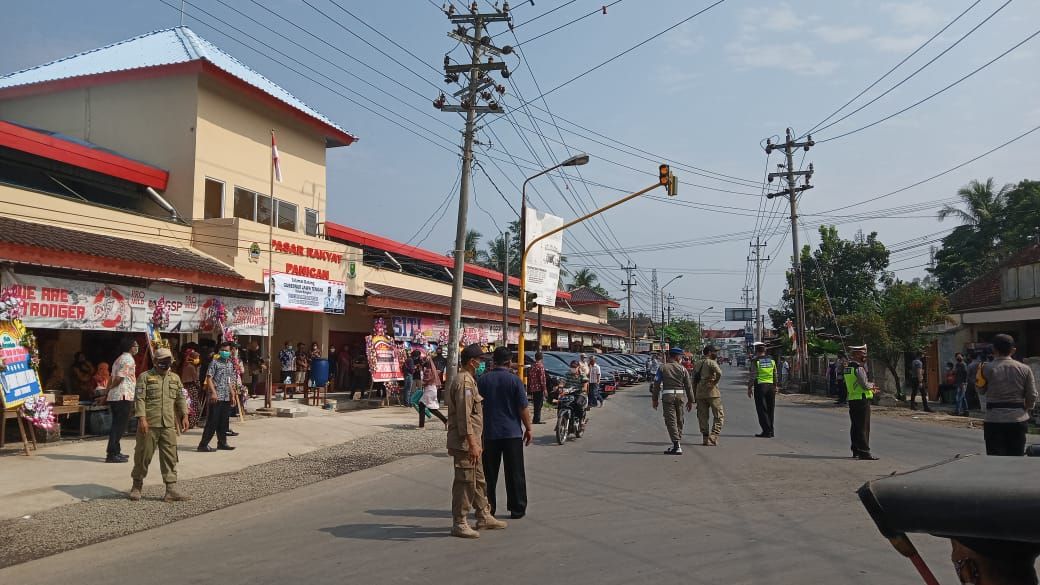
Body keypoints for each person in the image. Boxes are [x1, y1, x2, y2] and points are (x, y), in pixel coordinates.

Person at [446, 343, 507, 538]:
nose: (482, 364)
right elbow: (464, 417)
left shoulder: (470, 380)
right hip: (465, 443)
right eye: (480, 361)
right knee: (465, 482)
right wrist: (472, 443)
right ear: (472, 362)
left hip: (473, 442)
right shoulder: (464, 382)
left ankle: (483, 514)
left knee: (479, 480)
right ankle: (460, 521)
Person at [478, 347, 533, 520]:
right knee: (515, 472)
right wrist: (529, 428)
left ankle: (488, 508)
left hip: (489, 434)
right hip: (512, 434)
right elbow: (522, 408)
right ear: (509, 362)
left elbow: (477, 407)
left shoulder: (483, 380)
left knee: (489, 474)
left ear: (493, 361)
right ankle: (517, 509)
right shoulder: (514, 380)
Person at [129, 347, 190, 502]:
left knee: (170, 456)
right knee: (143, 455)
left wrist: (185, 415)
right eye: (162, 361)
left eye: (168, 361)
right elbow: (139, 399)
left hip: (168, 424)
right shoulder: (145, 377)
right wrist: (141, 418)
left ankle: (171, 489)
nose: (165, 364)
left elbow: (180, 398)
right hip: (149, 424)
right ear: (155, 361)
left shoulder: (175, 378)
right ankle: (137, 485)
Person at [976, 334, 1037, 456]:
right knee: (1016, 458)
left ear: (993, 350)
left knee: (995, 459)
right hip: (1017, 419)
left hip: (993, 420)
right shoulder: (1025, 369)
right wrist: (1026, 408)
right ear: (1013, 350)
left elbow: (980, 390)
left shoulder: (985, 368)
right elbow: (1032, 395)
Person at [651, 347, 694, 455]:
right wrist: (690, 400)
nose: (682, 359)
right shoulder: (683, 369)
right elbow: (689, 386)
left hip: (667, 396)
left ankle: (676, 445)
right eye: (681, 357)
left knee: (671, 420)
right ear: (676, 357)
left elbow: (656, 385)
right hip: (680, 396)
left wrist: (655, 399)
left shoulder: (662, 368)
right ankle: (677, 442)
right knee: (679, 419)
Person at [103, 337, 139, 463]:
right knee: (119, 426)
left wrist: (107, 392)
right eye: (135, 346)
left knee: (117, 425)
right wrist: (110, 389)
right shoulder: (127, 359)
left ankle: (116, 450)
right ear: (130, 347)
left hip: (115, 396)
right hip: (123, 395)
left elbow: (111, 378)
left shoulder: (118, 359)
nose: (137, 348)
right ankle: (112, 453)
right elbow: (119, 379)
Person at [198, 341, 237, 452]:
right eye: (222, 350)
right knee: (212, 421)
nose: (224, 352)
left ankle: (222, 442)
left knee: (223, 421)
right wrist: (214, 392)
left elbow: (229, 380)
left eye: (226, 351)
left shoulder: (229, 364)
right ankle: (203, 444)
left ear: (231, 352)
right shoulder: (214, 362)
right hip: (216, 396)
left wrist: (232, 394)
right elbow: (209, 378)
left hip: (226, 396)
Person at [844, 345, 879, 460]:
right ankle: (864, 452)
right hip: (862, 400)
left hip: (853, 399)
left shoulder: (847, 368)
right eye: (863, 354)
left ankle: (856, 450)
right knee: (863, 427)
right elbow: (864, 385)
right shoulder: (859, 368)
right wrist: (872, 386)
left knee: (855, 426)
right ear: (857, 354)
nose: (865, 356)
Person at [694, 345, 725, 446]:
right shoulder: (711, 362)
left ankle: (705, 438)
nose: (716, 353)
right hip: (712, 393)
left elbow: (693, 381)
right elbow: (719, 373)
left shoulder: (697, 363)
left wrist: (694, 395)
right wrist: (714, 382)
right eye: (715, 352)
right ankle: (714, 435)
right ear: (709, 352)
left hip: (700, 393)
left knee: (702, 416)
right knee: (719, 415)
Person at [747, 343, 777, 438]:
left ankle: (766, 431)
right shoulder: (771, 360)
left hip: (760, 386)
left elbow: (753, 375)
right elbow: (775, 373)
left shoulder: (755, 361)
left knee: (762, 409)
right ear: (765, 351)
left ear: (757, 351)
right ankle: (771, 431)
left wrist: (749, 388)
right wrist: (776, 386)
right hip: (771, 386)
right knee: (770, 409)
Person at [418, 352, 447, 428]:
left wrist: (421, 373)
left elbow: (425, 380)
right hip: (430, 389)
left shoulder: (429, 370)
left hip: (430, 390)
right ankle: (445, 421)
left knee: (426, 406)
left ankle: (445, 421)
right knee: (426, 406)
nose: (423, 362)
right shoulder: (431, 369)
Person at [180, 346, 203, 429]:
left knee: (189, 405)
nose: (198, 359)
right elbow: (196, 379)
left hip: (186, 387)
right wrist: (200, 387)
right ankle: (192, 423)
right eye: (197, 358)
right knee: (194, 406)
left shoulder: (186, 365)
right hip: (192, 387)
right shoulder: (191, 367)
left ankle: (190, 423)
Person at [527, 352, 548, 424]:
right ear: (542, 358)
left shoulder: (533, 366)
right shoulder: (540, 366)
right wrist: (545, 389)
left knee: (536, 404)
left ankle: (535, 419)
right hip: (539, 388)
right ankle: (537, 419)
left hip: (533, 388)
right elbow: (542, 378)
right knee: (539, 404)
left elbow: (530, 377)